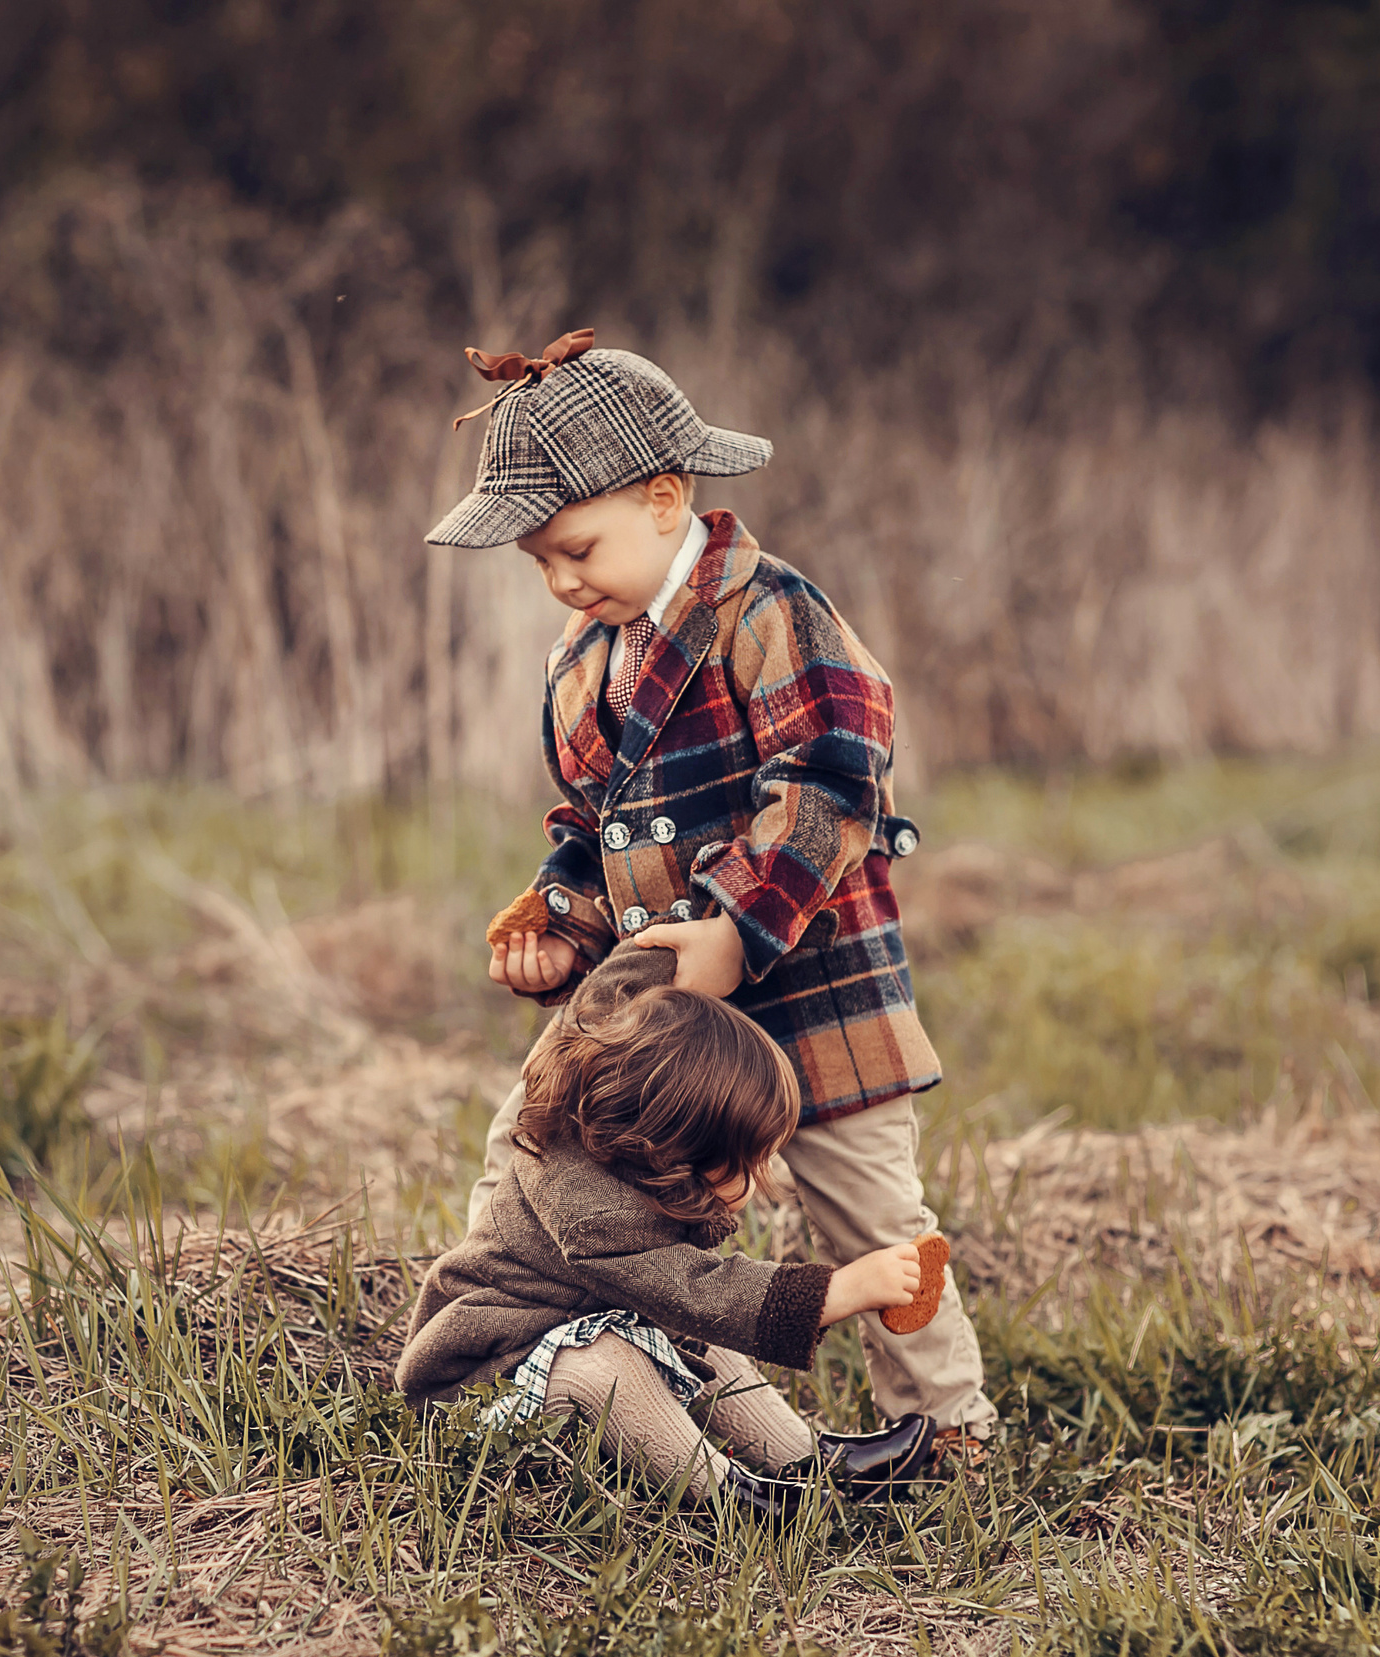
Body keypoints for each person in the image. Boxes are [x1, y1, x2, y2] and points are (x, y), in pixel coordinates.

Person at [427, 328, 998, 1464]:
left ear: (663, 497)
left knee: (873, 1216)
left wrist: (738, 931)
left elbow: (829, 782)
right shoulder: (580, 663)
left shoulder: (770, 615)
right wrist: (559, 921)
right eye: (537, 562)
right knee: (633, 1223)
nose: (560, 580)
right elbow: (589, 831)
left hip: (813, 993)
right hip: (667, 1033)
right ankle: (681, 1409)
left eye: (575, 547)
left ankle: (946, 1429)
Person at [395, 946, 934, 1513]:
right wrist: (839, 1290)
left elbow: (601, 997)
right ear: (678, 1151)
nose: (764, 1176)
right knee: (608, 1362)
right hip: (478, 1382)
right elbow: (701, 1290)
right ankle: (730, 1498)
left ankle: (809, 1462)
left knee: (690, 1340)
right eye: (748, 1164)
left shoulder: (606, 1105)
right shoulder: (594, 1215)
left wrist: (666, 947)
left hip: (555, 1333)